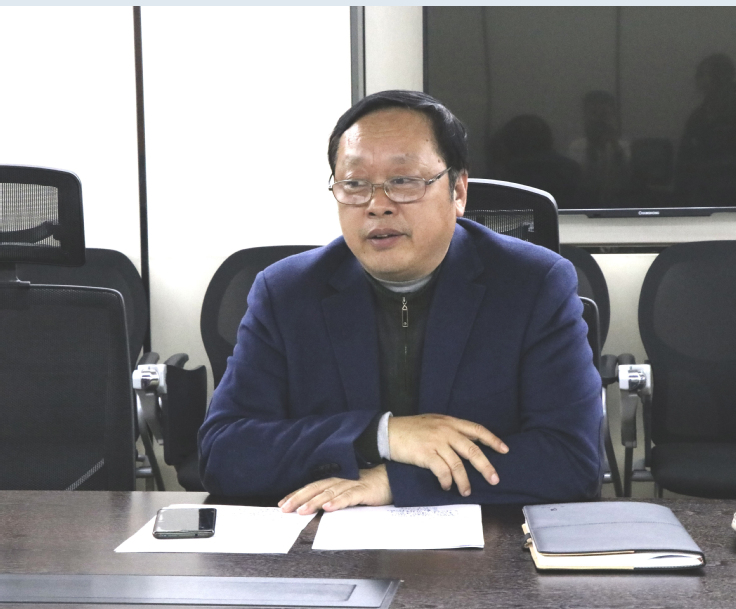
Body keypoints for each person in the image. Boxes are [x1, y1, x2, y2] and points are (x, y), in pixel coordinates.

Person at [198, 90, 603, 514]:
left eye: (404, 181)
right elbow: (224, 451)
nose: (377, 206)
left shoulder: (533, 285)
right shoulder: (286, 293)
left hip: (487, 544)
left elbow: (573, 460)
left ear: (458, 191)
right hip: (329, 542)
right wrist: (382, 435)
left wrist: (395, 481)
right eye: (354, 184)